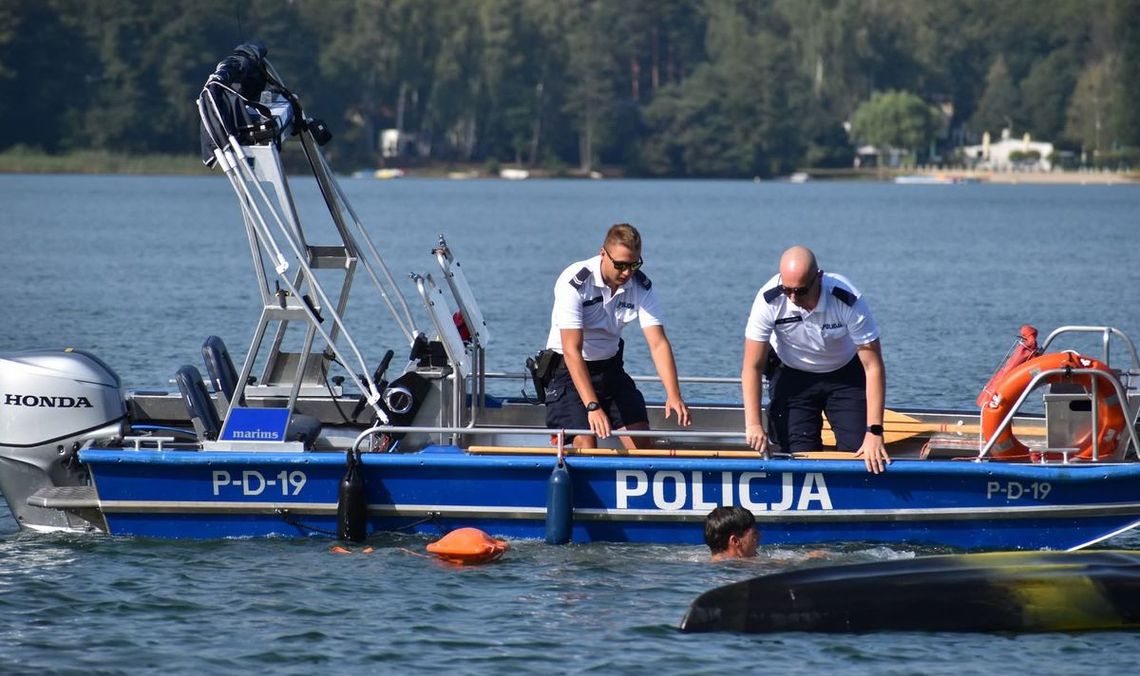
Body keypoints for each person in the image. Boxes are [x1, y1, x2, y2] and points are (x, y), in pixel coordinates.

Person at [741, 246, 889, 474]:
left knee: (861, 452)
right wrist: (753, 425)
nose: (792, 298)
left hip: (845, 375)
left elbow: (873, 366)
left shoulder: (846, 299)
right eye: (786, 289)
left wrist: (875, 432)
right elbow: (752, 366)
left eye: (800, 291)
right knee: (795, 456)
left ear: (818, 277)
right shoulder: (769, 300)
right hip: (792, 376)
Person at [544, 223, 691, 449]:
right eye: (620, 265)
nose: (627, 273)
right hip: (569, 372)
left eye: (634, 264)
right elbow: (572, 350)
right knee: (586, 443)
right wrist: (593, 407)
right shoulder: (575, 283)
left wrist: (673, 393)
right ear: (603, 254)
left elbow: (658, 343)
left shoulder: (641, 286)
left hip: (610, 371)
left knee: (642, 444)